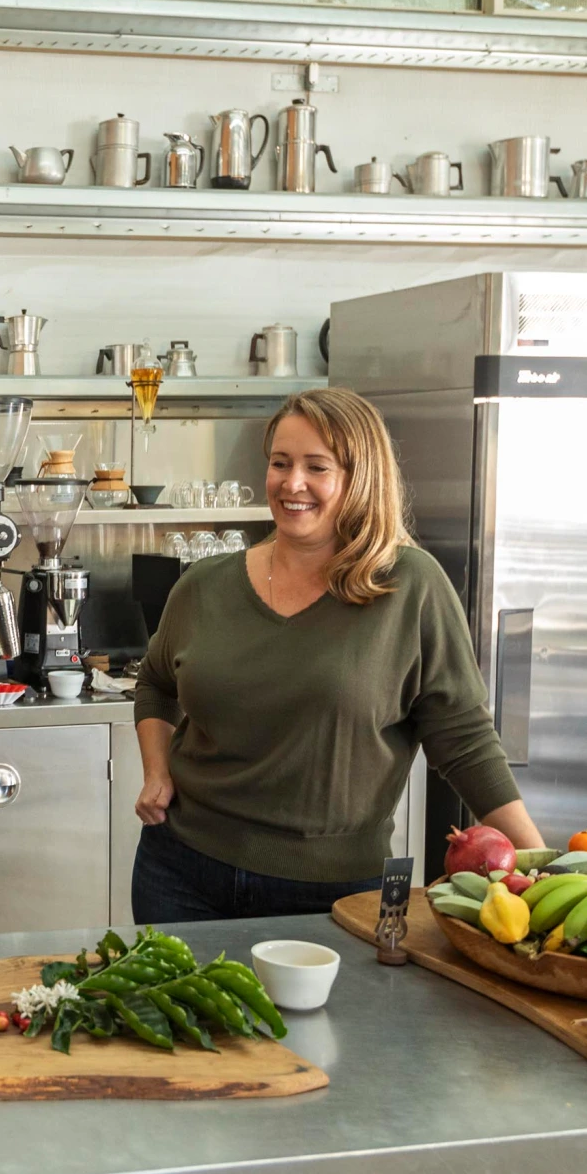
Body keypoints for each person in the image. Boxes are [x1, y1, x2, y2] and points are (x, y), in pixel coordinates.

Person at [130, 387, 545, 923]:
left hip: (333, 895)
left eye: (316, 467)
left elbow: (463, 738)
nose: (291, 483)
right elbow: (155, 683)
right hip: (180, 873)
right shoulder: (205, 584)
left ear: (360, 478)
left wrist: (540, 865)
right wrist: (157, 771)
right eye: (280, 463)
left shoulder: (410, 586)